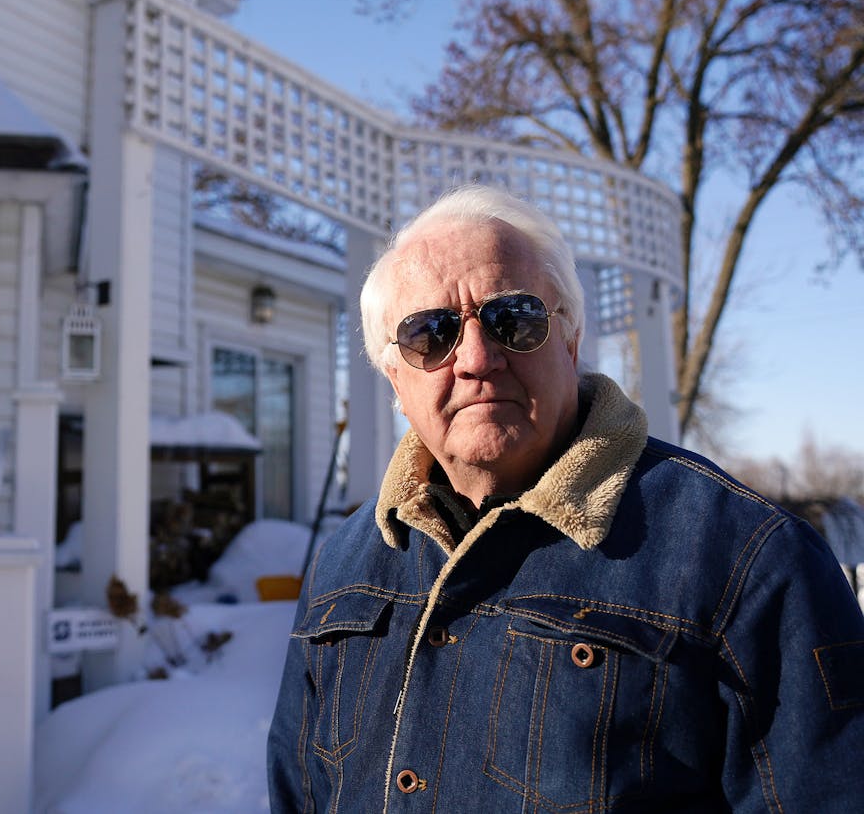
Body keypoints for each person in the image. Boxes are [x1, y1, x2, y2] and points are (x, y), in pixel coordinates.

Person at [267, 185, 864, 812]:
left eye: (513, 319)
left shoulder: (749, 560)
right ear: (394, 373)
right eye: (430, 333)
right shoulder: (343, 567)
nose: (474, 358)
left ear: (572, 340)